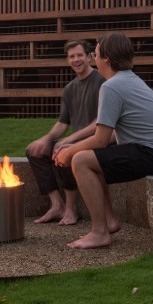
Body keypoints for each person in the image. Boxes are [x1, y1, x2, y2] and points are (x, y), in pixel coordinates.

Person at [53, 31, 153, 249]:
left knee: (82, 161)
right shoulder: (126, 80)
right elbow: (110, 134)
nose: (93, 57)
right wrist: (72, 145)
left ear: (106, 59)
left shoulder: (112, 86)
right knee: (92, 159)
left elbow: (101, 140)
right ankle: (109, 221)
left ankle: (99, 232)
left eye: (96, 53)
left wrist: (69, 152)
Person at [25, 39, 105, 225]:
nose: (76, 60)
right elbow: (63, 122)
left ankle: (71, 208)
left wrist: (70, 139)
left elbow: (100, 122)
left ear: (89, 57)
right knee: (34, 151)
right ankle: (56, 205)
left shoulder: (102, 82)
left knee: (65, 150)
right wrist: (46, 139)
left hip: (96, 141)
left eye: (79, 55)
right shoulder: (70, 88)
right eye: (71, 56)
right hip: (76, 140)